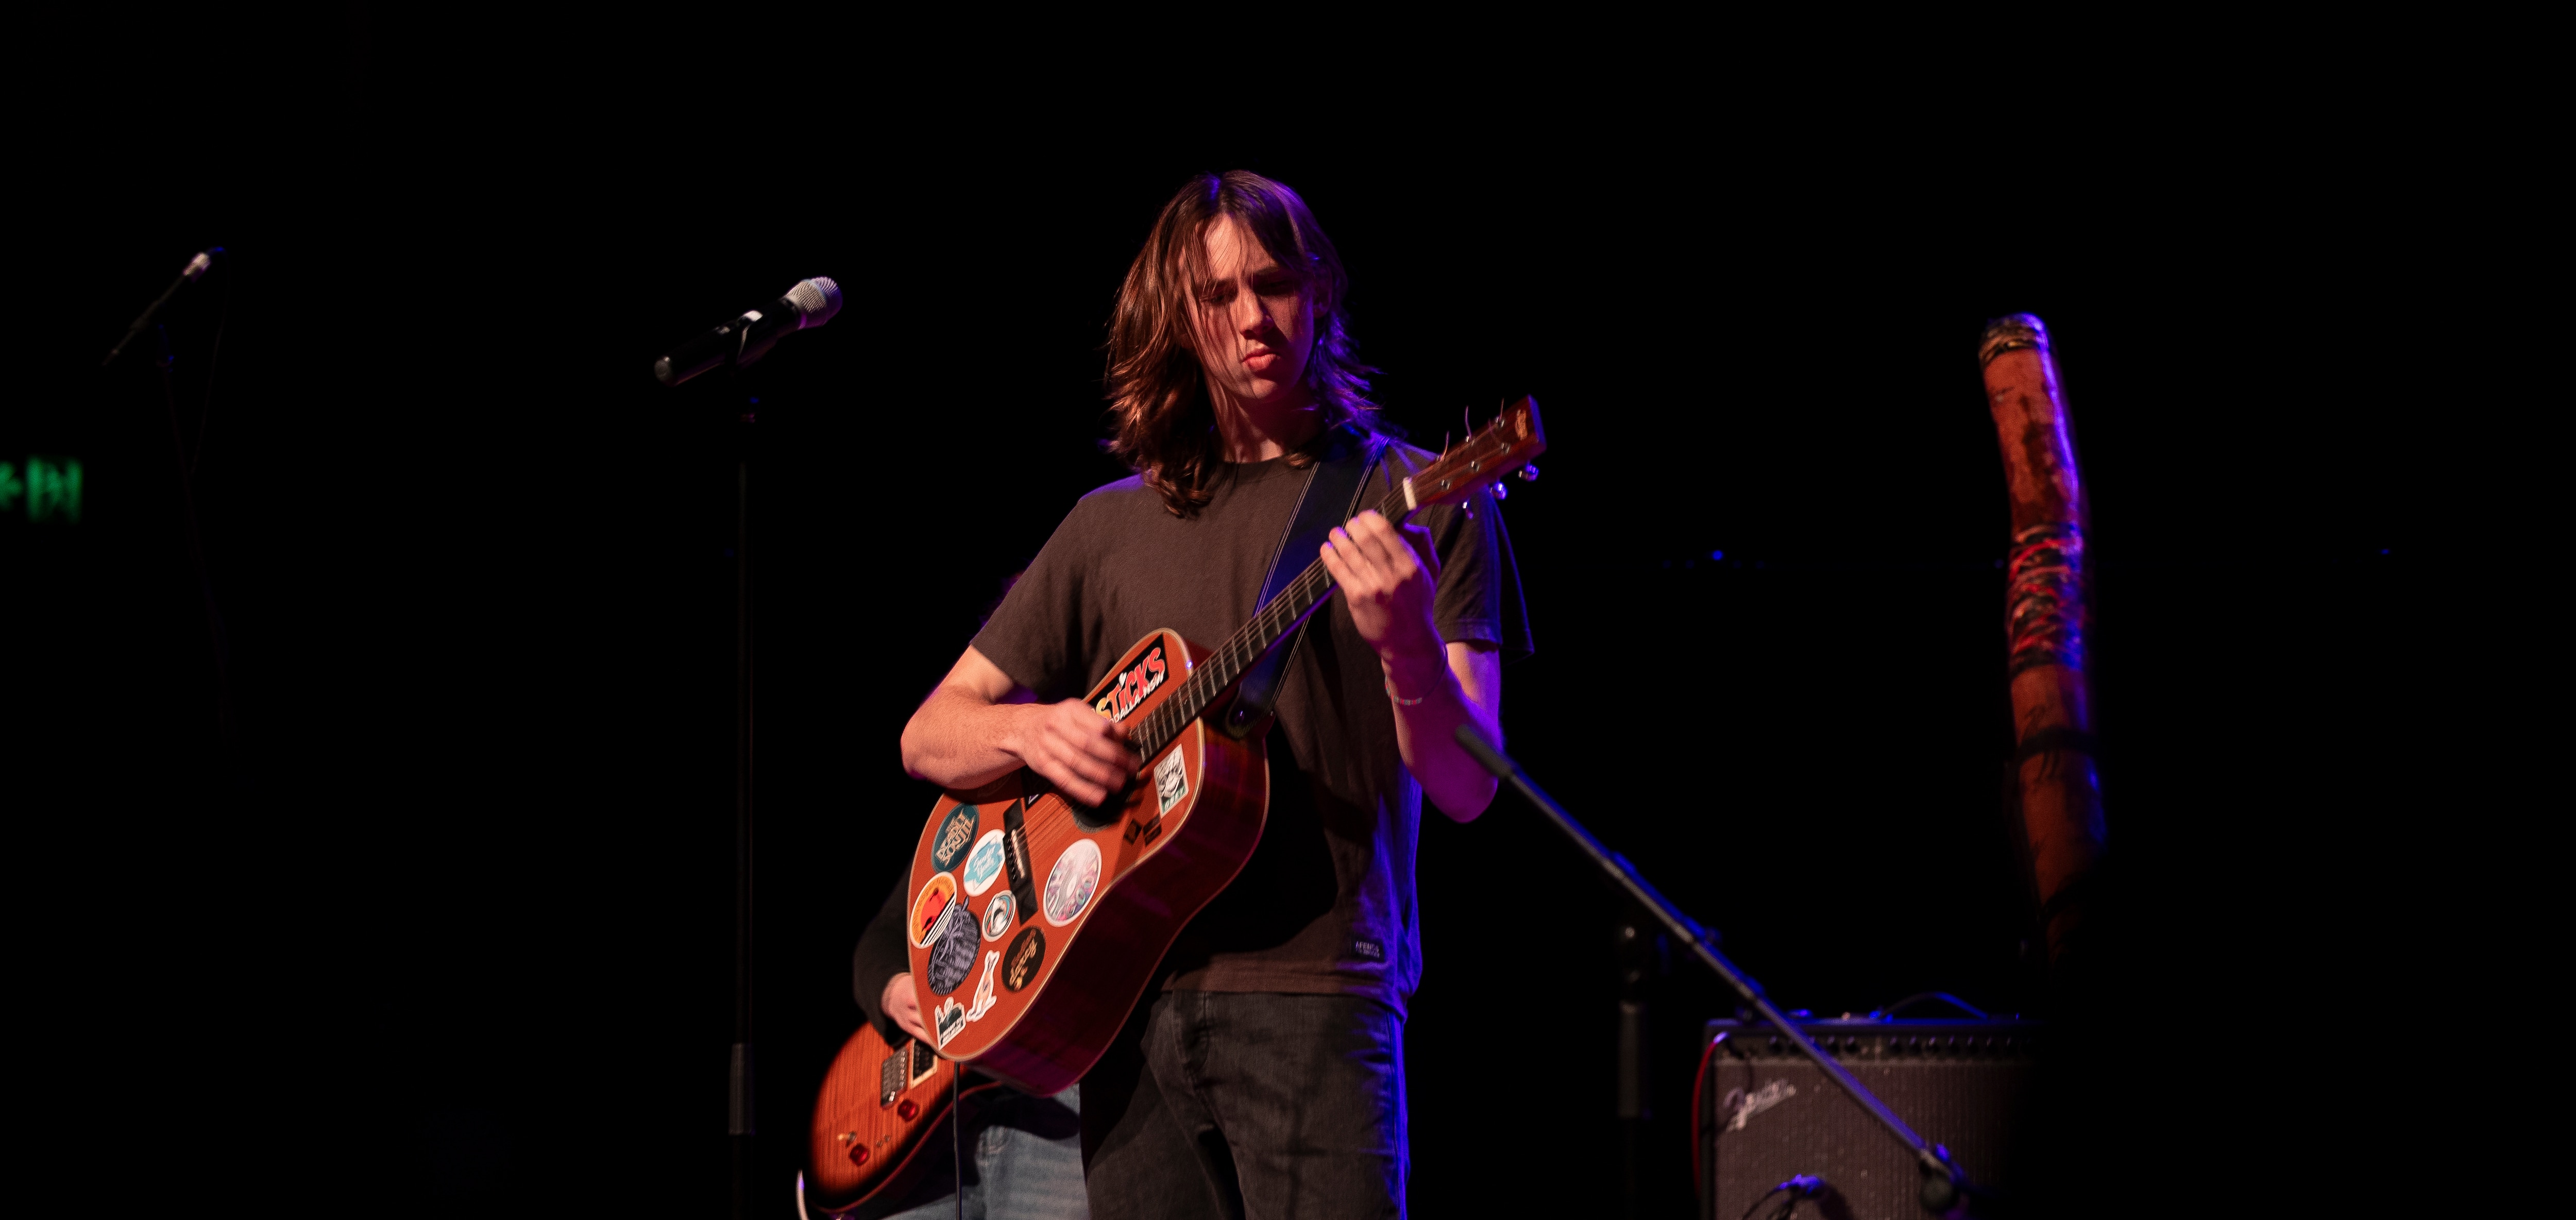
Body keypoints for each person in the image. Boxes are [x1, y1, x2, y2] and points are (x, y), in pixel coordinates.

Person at [897, 170, 1531, 1219]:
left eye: (1274, 283)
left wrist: (1409, 649)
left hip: (1317, 993)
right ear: (1177, 320)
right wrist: (1038, 728)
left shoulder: (1420, 499)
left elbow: (1468, 787)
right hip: (1121, 998)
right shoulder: (1107, 525)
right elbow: (931, 733)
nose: (1250, 317)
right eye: (1217, 295)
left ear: (1318, 292)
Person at [855, 874, 1091, 1219]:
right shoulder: (962, 825)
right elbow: (882, 937)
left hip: (1057, 1097)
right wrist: (894, 991)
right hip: (937, 1132)